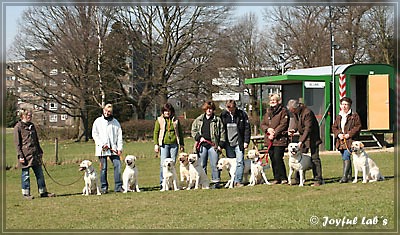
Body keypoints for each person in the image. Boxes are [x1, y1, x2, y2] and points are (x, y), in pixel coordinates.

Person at [14, 109, 55, 199]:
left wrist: (40, 151)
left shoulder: (32, 126)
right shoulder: (18, 127)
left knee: (40, 174)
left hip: (35, 154)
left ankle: (43, 192)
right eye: (29, 115)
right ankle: (26, 194)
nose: (30, 116)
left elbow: (36, 140)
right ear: (23, 116)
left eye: (31, 115)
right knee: (25, 175)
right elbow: (17, 144)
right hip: (25, 155)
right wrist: (20, 156)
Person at [287, 99, 324, 186]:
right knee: (298, 157)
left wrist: (300, 142)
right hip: (303, 137)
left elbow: (308, 129)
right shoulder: (296, 112)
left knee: (315, 158)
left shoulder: (307, 112)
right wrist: (293, 129)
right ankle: (297, 179)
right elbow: (297, 123)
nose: (292, 112)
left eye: (292, 110)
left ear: (296, 108)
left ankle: (318, 179)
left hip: (312, 137)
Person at [191, 101, 225, 189]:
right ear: (205, 110)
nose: (209, 111)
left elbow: (222, 133)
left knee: (215, 164)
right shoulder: (199, 120)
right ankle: (203, 182)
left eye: (211, 109)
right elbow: (193, 130)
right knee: (202, 165)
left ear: (213, 110)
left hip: (213, 145)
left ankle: (216, 181)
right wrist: (199, 137)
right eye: (207, 109)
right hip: (202, 145)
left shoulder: (217, 120)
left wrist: (220, 145)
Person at [92, 103, 123, 193]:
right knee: (103, 168)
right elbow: (95, 134)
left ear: (111, 112)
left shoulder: (115, 122)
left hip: (114, 149)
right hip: (102, 150)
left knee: (118, 166)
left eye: (109, 111)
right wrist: (102, 144)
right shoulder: (98, 121)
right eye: (106, 110)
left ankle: (118, 187)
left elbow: (119, 136)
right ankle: (104, 188)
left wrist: (119, 148)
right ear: (103, 110)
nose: (107, 112)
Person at [153, 103, 185, 188]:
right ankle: (162, 183)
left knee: (172, 163)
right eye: (165, 111)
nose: (167, 113)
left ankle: (172, 183)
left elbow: (180, 132)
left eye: (168, 111)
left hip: (174, 144)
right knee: (163, 164)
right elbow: (156, 132)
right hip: (164, 144)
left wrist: (181, 144)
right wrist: (156, 144)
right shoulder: (159, 120)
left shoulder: (175, 119)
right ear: (163, 112)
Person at [220, 100, 251, 187]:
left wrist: (246, 141)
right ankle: (232, 180)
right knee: (230, 164)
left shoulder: (242, 114)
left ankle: (238, 181)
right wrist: (221, 144)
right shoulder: (223, 115)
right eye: (228, 108)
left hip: (239, 142)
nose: (230, 110)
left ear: (235, 107)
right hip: (228, 143)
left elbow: (247, 128)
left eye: (232, 108)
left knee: (240, 161)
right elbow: (222, 130)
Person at [260, 94, 290, 184]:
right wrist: (267, 130)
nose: (272, 101)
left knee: (278, 158)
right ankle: (276, 178)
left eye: (274, 100)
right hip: (269, 139)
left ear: (278, 101)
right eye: (271, 100)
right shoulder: (268, 112)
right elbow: (262, 124)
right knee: (272, 158)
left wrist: (274, 133)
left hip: (279, 139)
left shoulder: (283, 111)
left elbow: (283, 124)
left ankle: (283, 177)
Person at [332, 97, 362, 183]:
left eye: (346, 104)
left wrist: (349, 134)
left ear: (349, 105)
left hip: (351, 140)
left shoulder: (354, 115)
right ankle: (349, 177)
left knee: (346, 156)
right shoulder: (339, 116)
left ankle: (344, 177)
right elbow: (334, 127)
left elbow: (358, 126)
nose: (344, 106)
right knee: (344, 157)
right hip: (340, 140)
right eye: (342, 104)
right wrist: (338, 134)